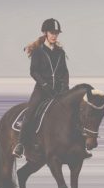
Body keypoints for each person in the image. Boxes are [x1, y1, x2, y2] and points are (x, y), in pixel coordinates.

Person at [14, 18, 70, 157]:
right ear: (45, 33)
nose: (54, 36)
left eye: (56, 33)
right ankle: (20, 144)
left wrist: (65, 86)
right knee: (31, 111)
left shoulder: (60, 53)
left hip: (58, 90)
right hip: (42, 90)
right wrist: (44, 84)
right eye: (52, 33)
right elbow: (33, 71)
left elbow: (64, 71)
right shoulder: (38, 52)